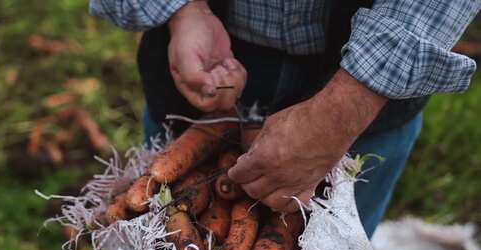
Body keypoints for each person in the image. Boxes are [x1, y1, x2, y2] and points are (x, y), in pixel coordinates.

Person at [90, 0, 480, 237]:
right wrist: (184, 10)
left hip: (372, 85)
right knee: (159, 246)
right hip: (199, 54)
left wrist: (346, 108)